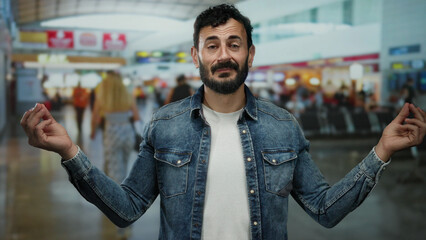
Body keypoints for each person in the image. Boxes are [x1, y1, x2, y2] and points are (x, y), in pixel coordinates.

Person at [20, 4, 426, 240]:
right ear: (196, 57)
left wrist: (381, 152)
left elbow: (324, 209)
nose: (224, 54)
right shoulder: (166, 125)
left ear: (251, 54)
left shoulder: (284, 126)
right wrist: (69, 152)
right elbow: (126, 209)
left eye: (234, 43)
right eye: (211, 45)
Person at [89, 71, 141, 239]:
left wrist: (92, 132)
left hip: (112, 132)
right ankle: (127, 206)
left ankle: (120, 216)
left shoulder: (102, 94)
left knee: (114, 173)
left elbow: (95, 116)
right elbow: (137, 116)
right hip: (127, 132)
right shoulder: (127, 94)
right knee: (124, 170)